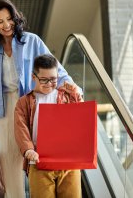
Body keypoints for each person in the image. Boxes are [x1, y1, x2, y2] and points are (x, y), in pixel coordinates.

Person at [0, 0, 79, 198]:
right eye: (0, 22)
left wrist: (71, 85)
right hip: (4, 109)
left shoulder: (32, 41)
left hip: (33, 105)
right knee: (9, 163)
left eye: (9, 19)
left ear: (15, 18)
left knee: (37, 157)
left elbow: (55, 69)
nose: (6, 25)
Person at [14, 54, 82, 198]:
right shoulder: (24, 102)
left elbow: (80, 120)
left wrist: (76, 95)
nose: (50, 84)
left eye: (53, 79)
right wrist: (28, 150)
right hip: (39, 161)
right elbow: (21, 129)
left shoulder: (67, 96)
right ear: (34, 77)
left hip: (68, 162)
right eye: (44, 80)